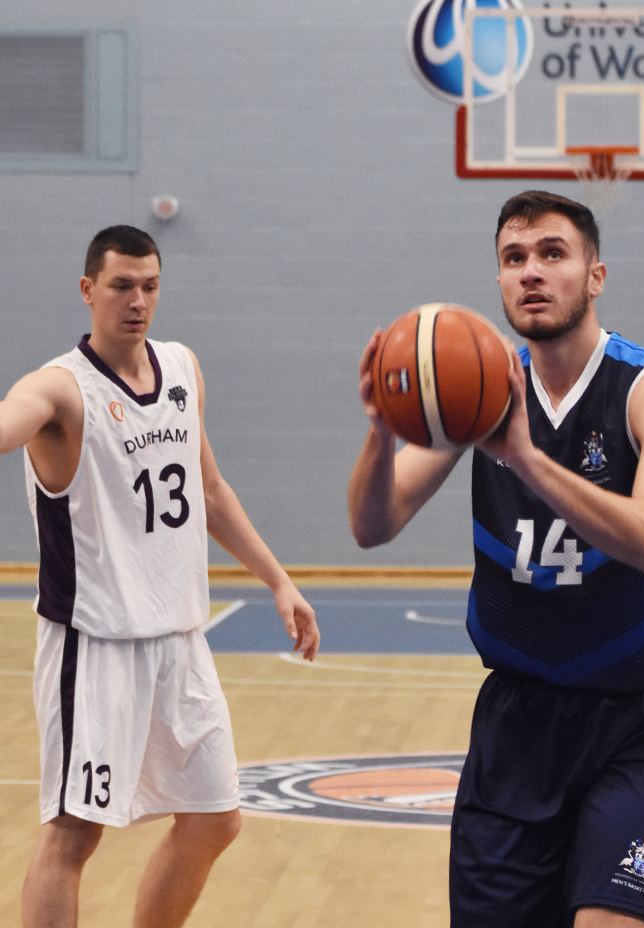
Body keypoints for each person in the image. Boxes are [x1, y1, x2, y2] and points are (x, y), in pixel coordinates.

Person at [349, 190, 644, 928]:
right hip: (520, 720)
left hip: (643, 716)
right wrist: (382, 434)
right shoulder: (479, 386)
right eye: (514, 259)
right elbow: (373, 526)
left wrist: (523, 458)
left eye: (553, 254)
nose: (532, 273)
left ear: (596, 275)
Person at [2, 225, 320, 928]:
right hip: (96, 646)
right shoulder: (59, 389)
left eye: (149, 286)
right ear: (88, 291)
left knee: (215, 821)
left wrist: (278, 579)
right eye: (121, 286)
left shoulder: (182, 367)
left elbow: (209, 493)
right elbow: (7, 421)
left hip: (180, 640)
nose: (137, 301)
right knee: (73, 833)